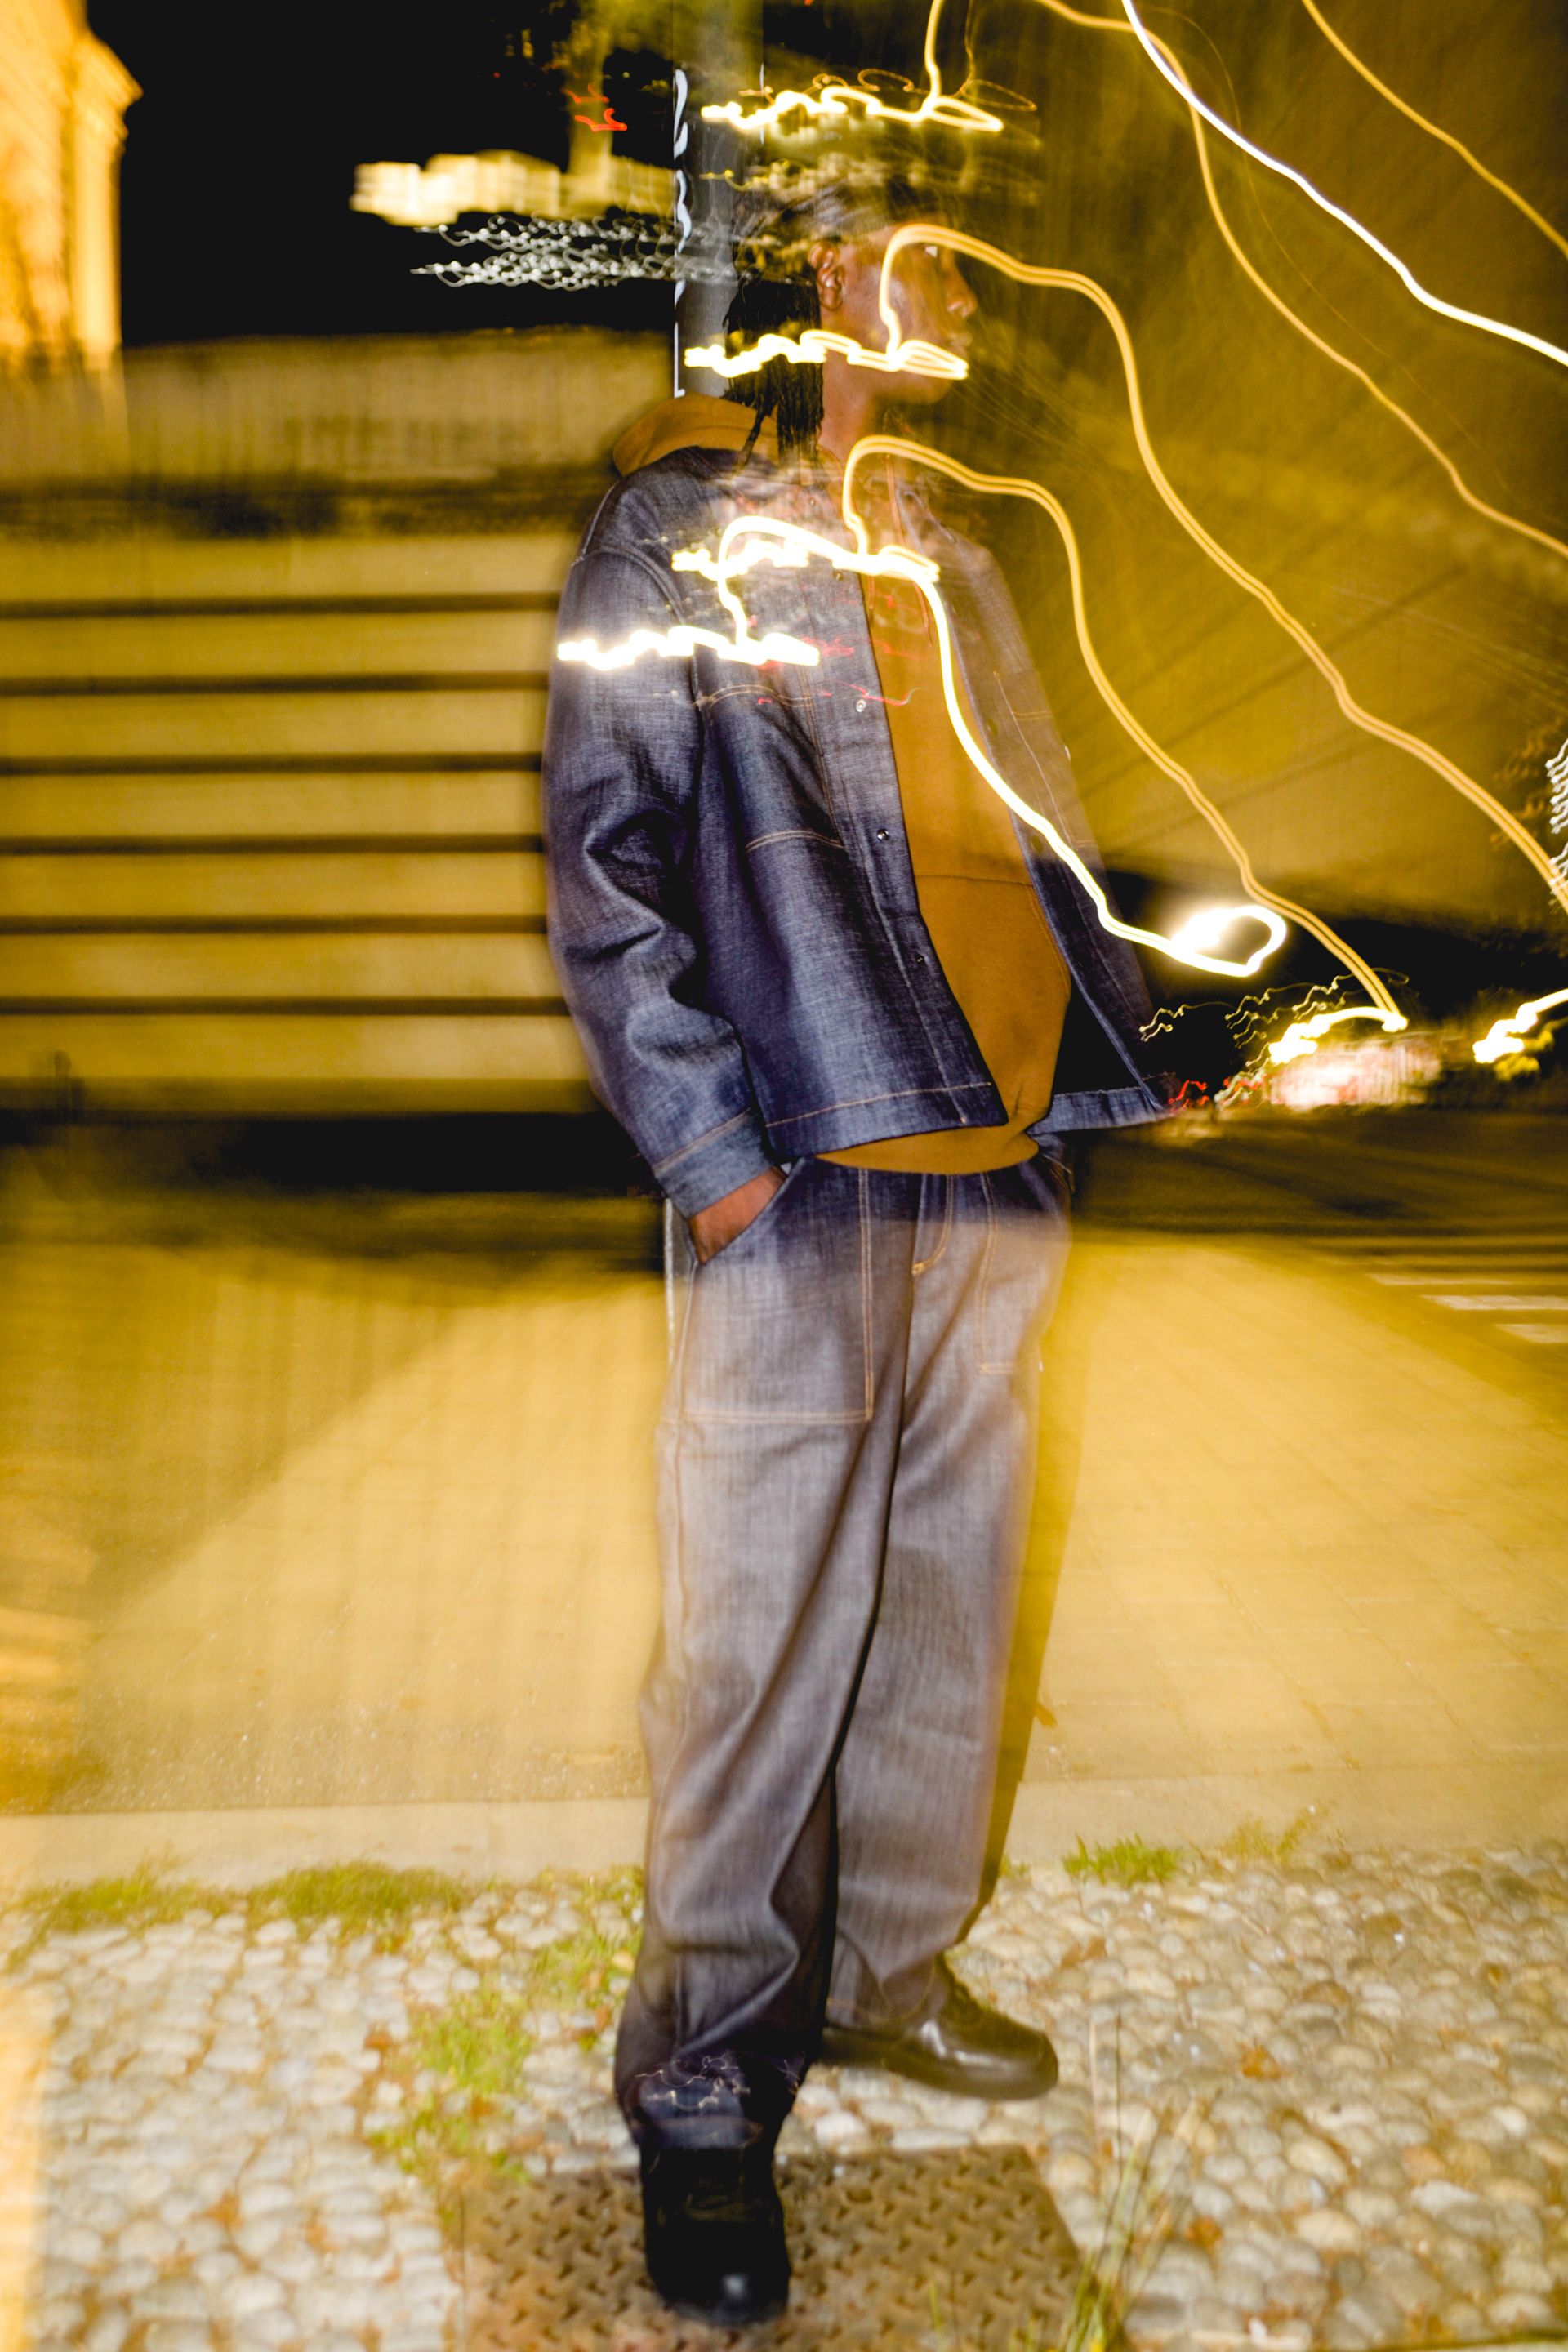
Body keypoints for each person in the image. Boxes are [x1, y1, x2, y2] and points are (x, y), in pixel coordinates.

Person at [542, 164, 1169, 2325]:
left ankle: (891, 1975)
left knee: (948, 1616)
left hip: (1000, 1160)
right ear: (826, 288)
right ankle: (709, 2080)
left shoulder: (966, 555)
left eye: (972, 284)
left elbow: (1035, 841)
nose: (959, 312)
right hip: (803, 1164)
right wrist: (712, 1147)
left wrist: (1098, 1071)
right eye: (922, 274)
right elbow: (609, 853)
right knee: (758, 1640)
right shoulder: (680, 534)